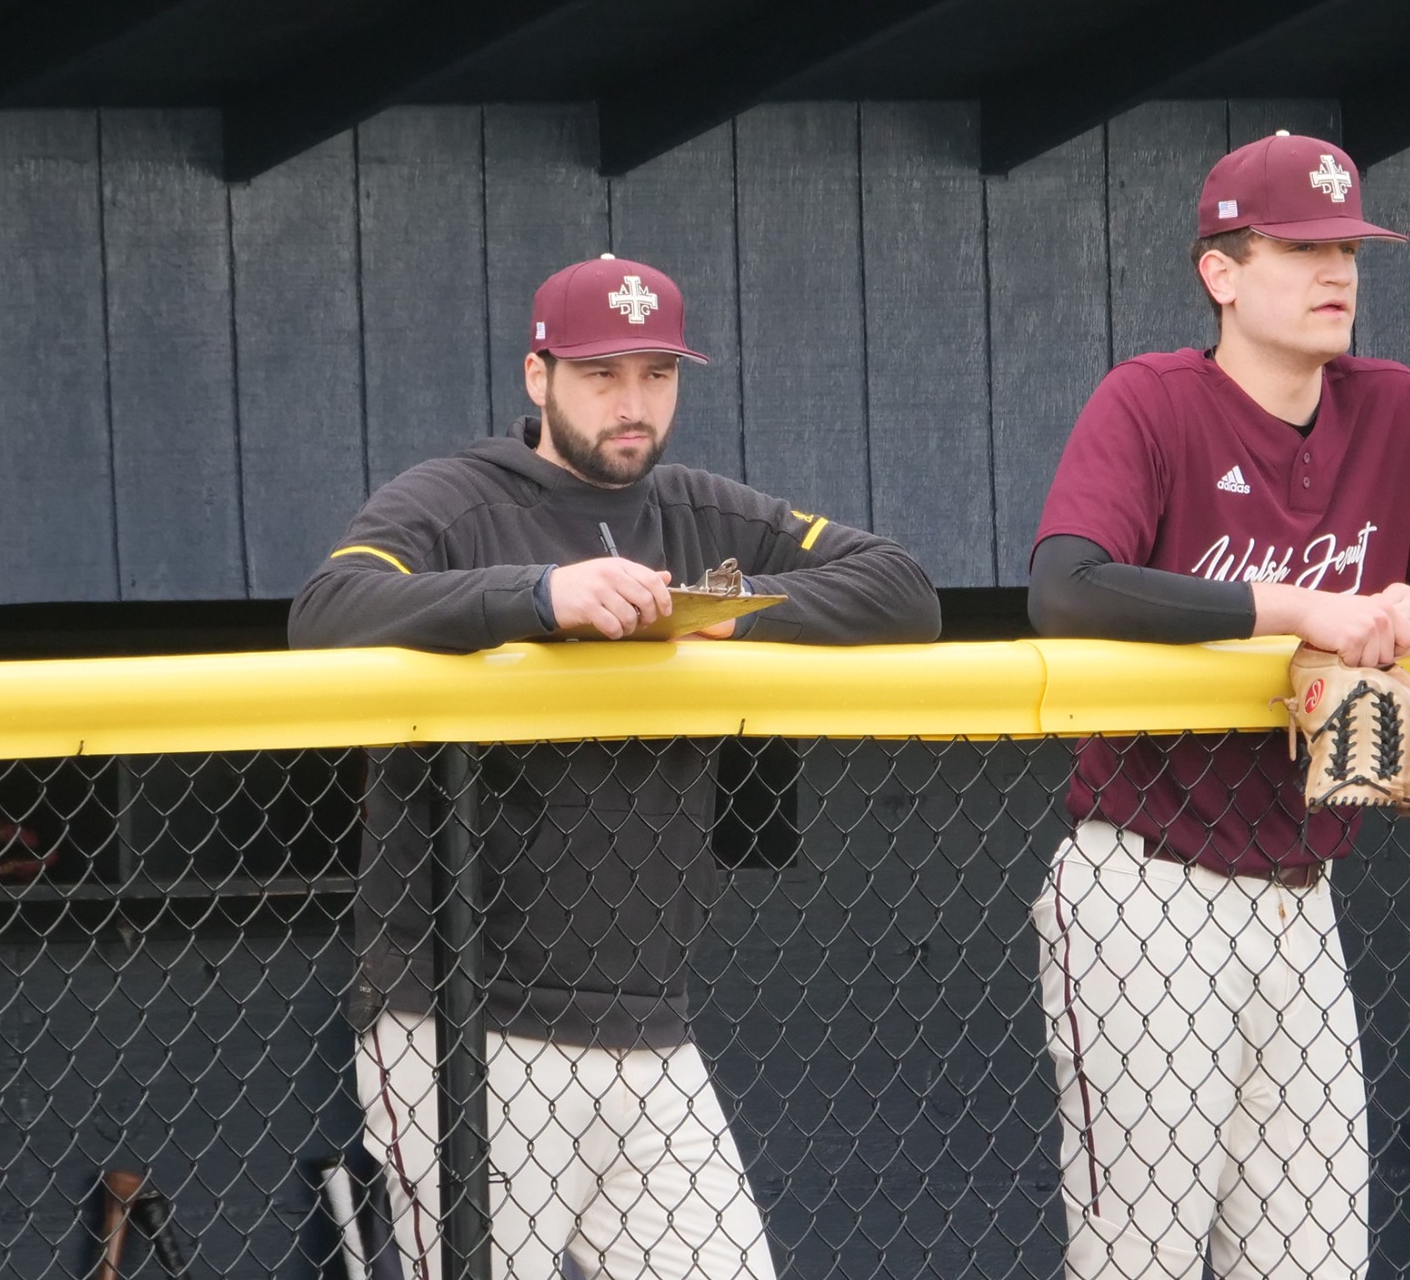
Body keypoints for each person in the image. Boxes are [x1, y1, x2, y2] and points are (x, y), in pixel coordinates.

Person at [290, 254, 940, 1280]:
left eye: (657, 374)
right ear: (537, 375)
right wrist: (540, 595)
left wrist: (729, 609)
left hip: (651, 1026)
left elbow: (902, 591)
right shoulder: (456, 498)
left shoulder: (698, 510)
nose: (633, 404)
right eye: (602, 375)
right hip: (463, 1026)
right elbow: (327, 611)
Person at [1026, 133, 1410, 1280]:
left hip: (1297, 899)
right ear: (1220, 271)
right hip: (1145, 886)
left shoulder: (1392, 408)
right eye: (1301, 247)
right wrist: (1297, 608)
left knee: (1313, 1259)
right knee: (1142, 1259)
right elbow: (1065, 583)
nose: (1336, 272)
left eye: (1348, 249)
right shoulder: (1151, 401)